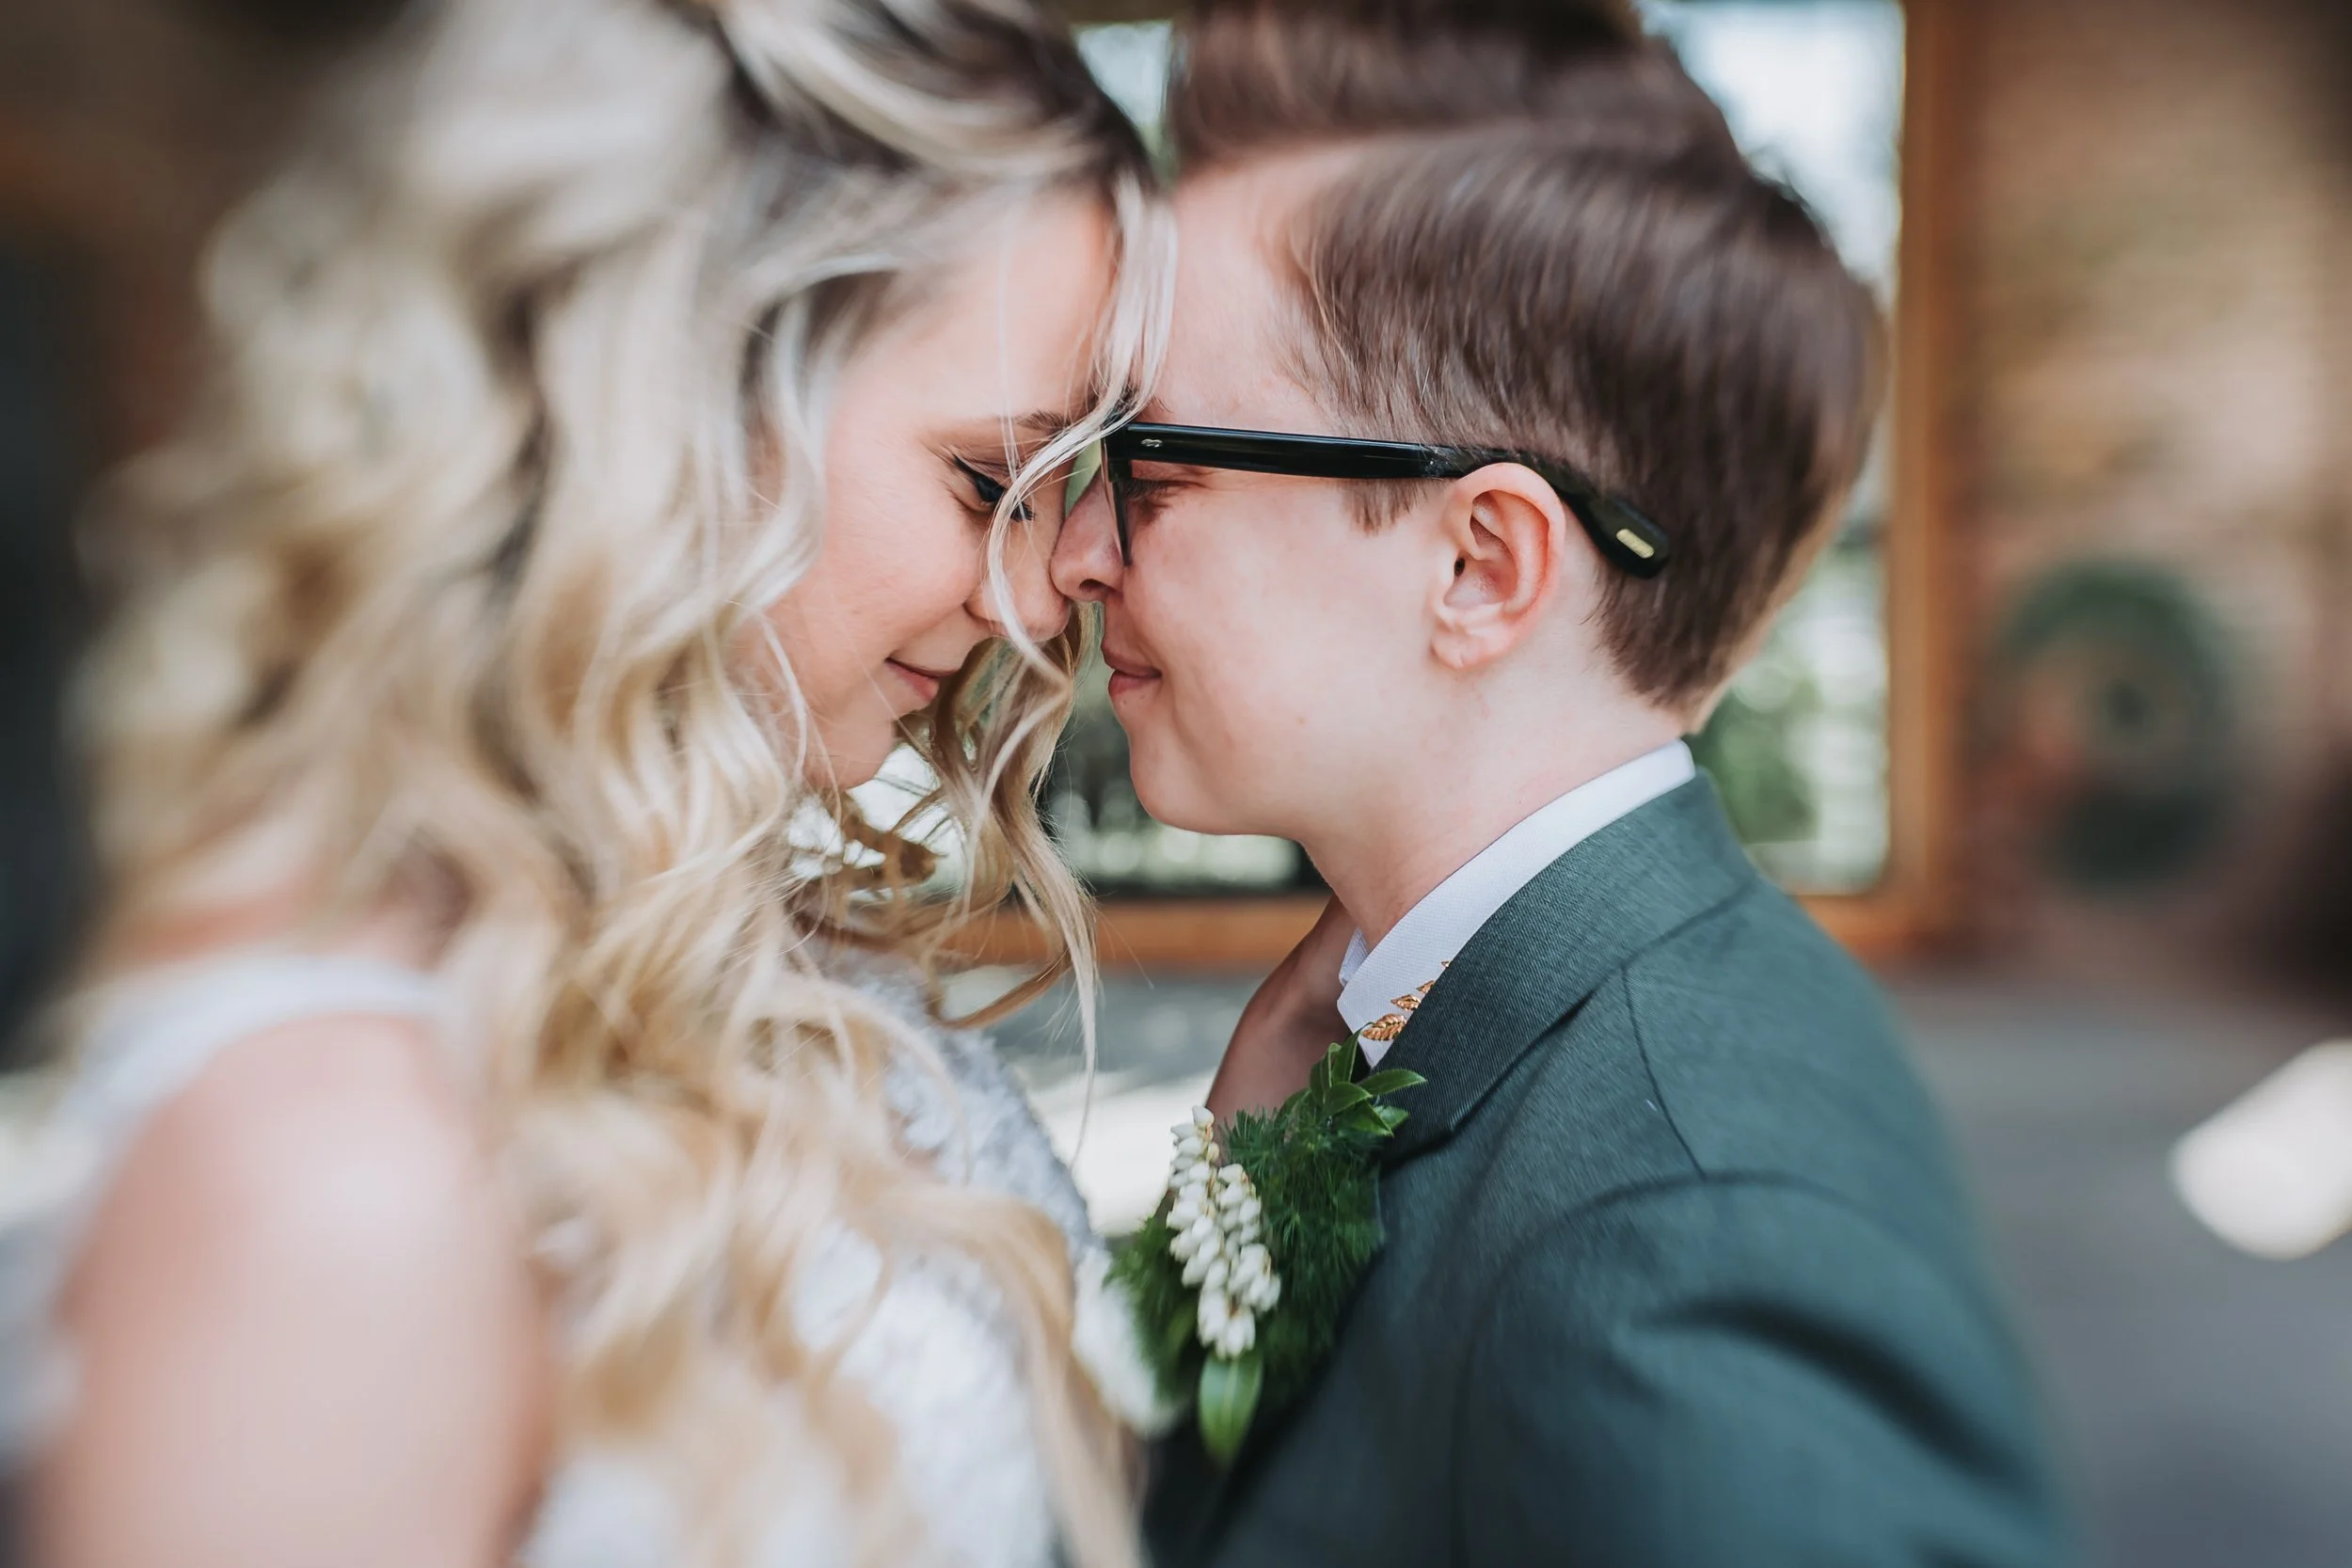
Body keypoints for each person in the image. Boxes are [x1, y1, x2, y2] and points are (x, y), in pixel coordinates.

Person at [0, 0, 1174, 1564]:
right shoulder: (327, 1178)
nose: (1033, 607)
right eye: (987, 481)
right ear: (674, 387)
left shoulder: (749, 951)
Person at [1050, 2, 2074, 1563]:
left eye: (1155, 464)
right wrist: (1252, 1168)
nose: (1080, 548)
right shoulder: (1402, 1022)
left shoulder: (1681, 1247)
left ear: (1481, 563)